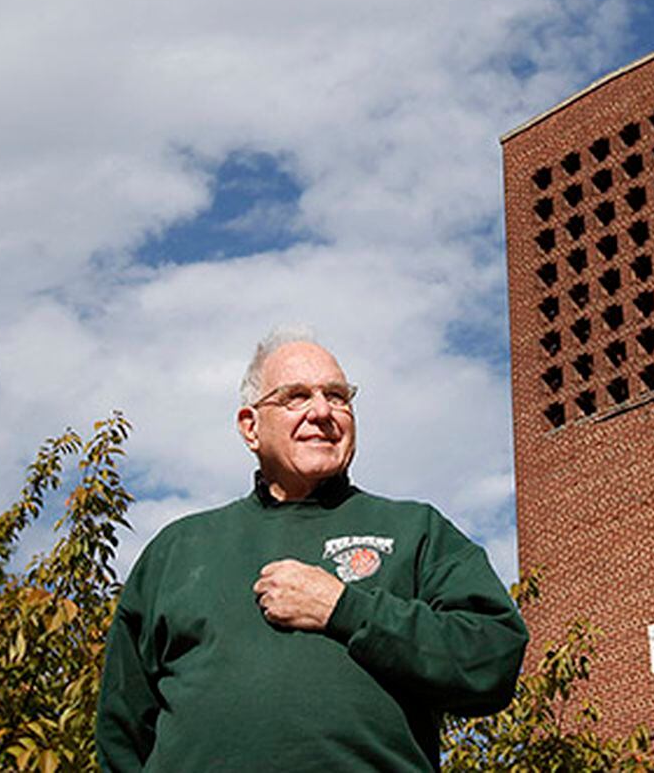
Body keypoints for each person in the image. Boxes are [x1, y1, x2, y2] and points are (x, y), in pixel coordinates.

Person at [95, 330, 528, 771]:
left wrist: (345, 609)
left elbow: (492, 657)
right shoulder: (177, 549)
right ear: (250, 426)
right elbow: (122, 731)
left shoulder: (416, 530)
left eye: (337, 397)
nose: (322, 412)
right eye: (296, 397)